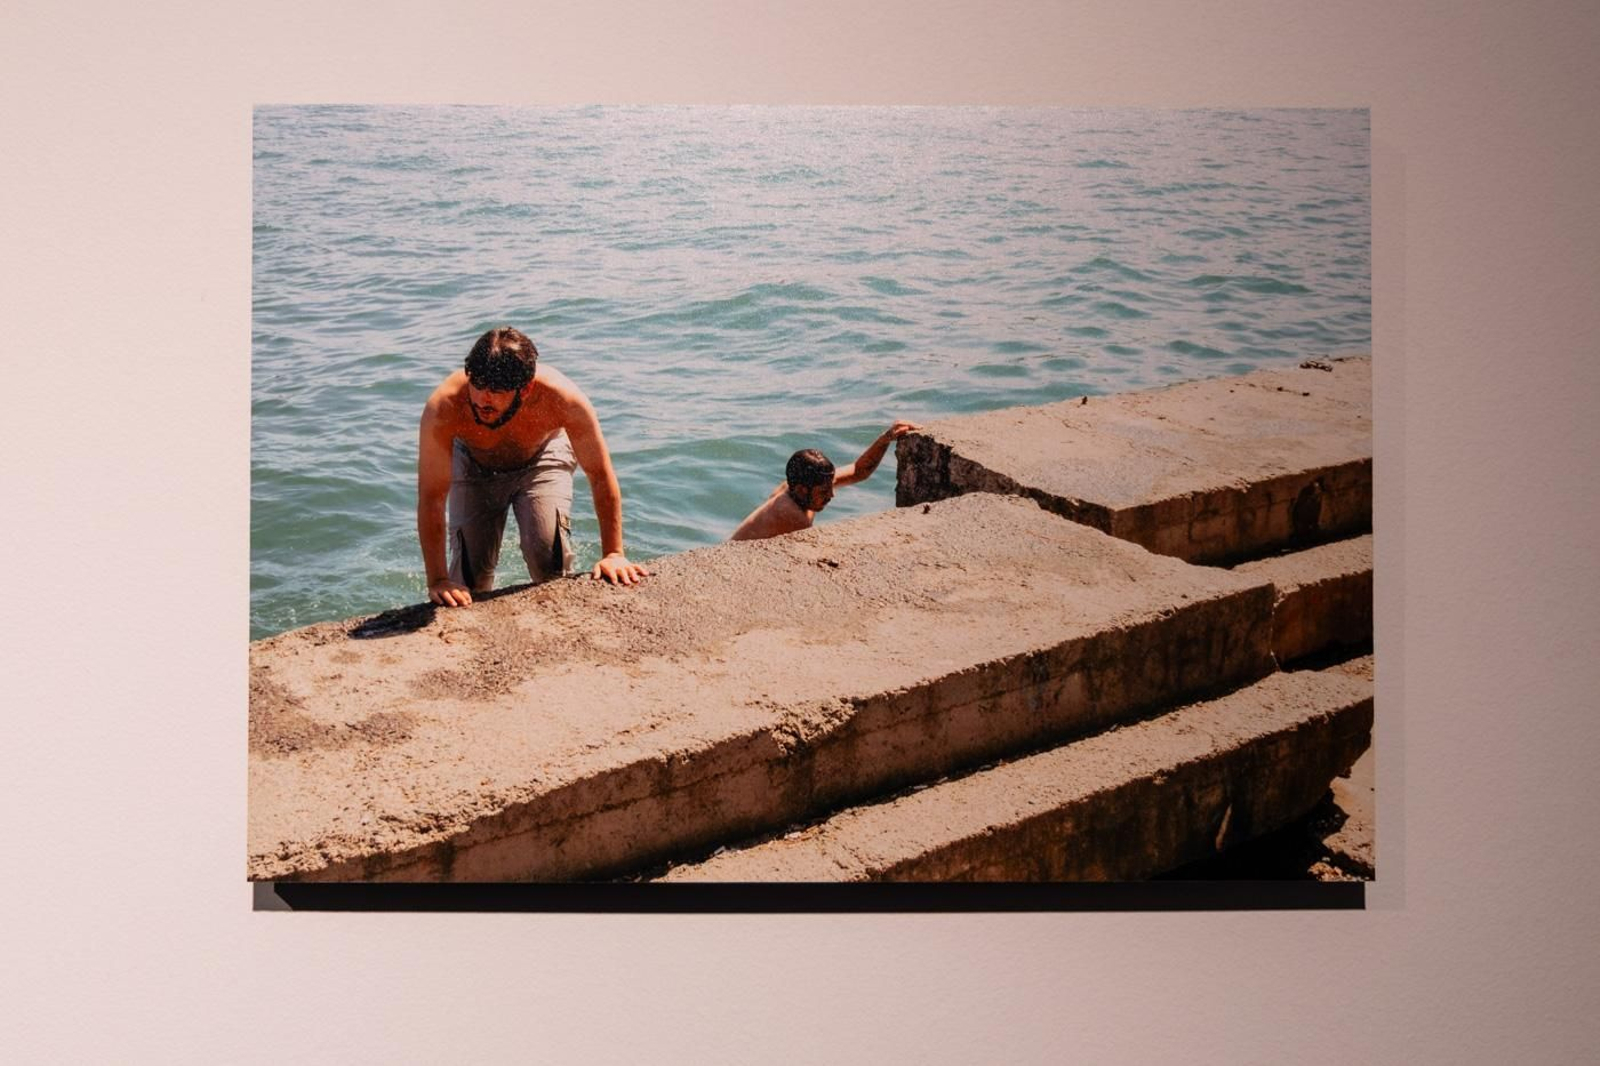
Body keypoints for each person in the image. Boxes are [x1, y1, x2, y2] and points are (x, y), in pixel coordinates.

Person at [417, 326, 649, 607]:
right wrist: (438, 580)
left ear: (525, 389)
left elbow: (599, 475)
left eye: (496, 390)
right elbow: (432, 497)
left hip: (542, 457)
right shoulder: (444, 407)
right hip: (473, 463)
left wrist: (613, 552)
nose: (482, 398)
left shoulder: (563, 399)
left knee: (547, 561)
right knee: (467, 582)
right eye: (477, 384)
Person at [729, 420, 922, 542]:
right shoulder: (792, 516)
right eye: (824, 492)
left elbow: (858, 471)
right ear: (803, 490)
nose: (832, 494)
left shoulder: (799, 486)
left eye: (829, 488)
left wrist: (885, 439)